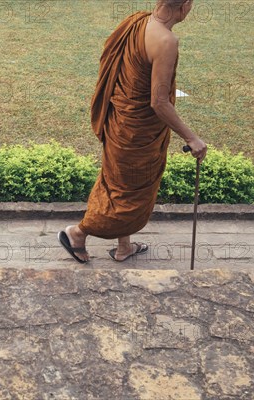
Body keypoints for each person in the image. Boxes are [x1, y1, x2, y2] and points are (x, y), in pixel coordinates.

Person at [58, 0, 207, 263]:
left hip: (120, 122)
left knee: (119, 185)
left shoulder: (136, 22)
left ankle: (124, 247)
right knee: (128, 197)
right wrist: (191, 137)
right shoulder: (166, 42)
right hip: (137, 134)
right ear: (183, 6)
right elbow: (159, 102)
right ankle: (78, 233)